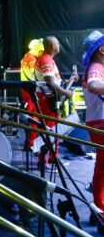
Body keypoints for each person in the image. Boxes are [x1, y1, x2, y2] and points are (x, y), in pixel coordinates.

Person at [33, 36, 76, 167]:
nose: (59, 45)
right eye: (58, 43)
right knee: (49, 129)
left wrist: (69, 81)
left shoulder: (49, 59)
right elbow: (50, 82)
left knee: (53, 129)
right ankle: (43, 159)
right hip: (47, 99)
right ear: (53, 46)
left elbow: (55, 81)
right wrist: (65, 92)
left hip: (49, 98)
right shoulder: (46, 59)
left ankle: (53, 157)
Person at [81, 30, 104, 234]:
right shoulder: (97, 67)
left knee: (102, 167)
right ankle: (100, 210)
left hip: (97, 120)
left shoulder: (95, 65)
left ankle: (98, 208)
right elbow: (95, 85)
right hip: (101, 122)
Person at [20, 38, 44, 149]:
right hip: (30, 91)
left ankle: (28, 142)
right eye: (40, 51)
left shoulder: (26, 57)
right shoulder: (32, 59)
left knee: (30, 118)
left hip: (25, 89)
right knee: (34, 118)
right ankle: (31, 144)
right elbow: (37, 76)